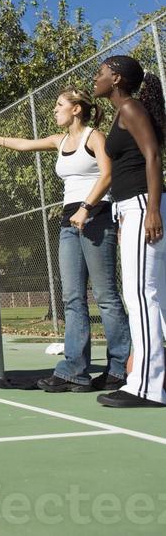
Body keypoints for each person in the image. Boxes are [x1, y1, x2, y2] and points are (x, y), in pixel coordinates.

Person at [0, 87, 130, 392]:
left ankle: (120, 368)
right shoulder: (59, 141)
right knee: (72, 299)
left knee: (105, 296)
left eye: (60, 105)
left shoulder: (94, 137)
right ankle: (74, 370)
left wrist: (87, 207)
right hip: (68, 222)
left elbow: (107, 175)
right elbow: (23, 145)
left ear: (76, 109)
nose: (54, 110)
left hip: (96, 217)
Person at [93, 55, 166, 409]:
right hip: (132, 210)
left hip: (143, 206)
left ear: (117, 78)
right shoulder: (121, 112)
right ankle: (152, 379)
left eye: (101, 73)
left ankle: (147, 387)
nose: (96, 78)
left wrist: (151, 209)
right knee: (151, 296)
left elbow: (153, 156)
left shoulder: (132, 108)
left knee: (141, 295)